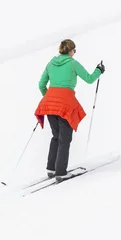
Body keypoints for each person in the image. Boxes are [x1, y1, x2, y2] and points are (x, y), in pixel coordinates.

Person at [34, 39, 105, 179]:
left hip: (49, 104)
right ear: (71, 50)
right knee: (64, 138)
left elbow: (41, 84)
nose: (74, 53)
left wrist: (50, 98)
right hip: (65, 104)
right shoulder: (73, 64)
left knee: (56, 136)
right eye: (74, 51)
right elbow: (89, 79)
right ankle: (61, 172)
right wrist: (99, 70)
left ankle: (51, 169)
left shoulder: (51, 63)